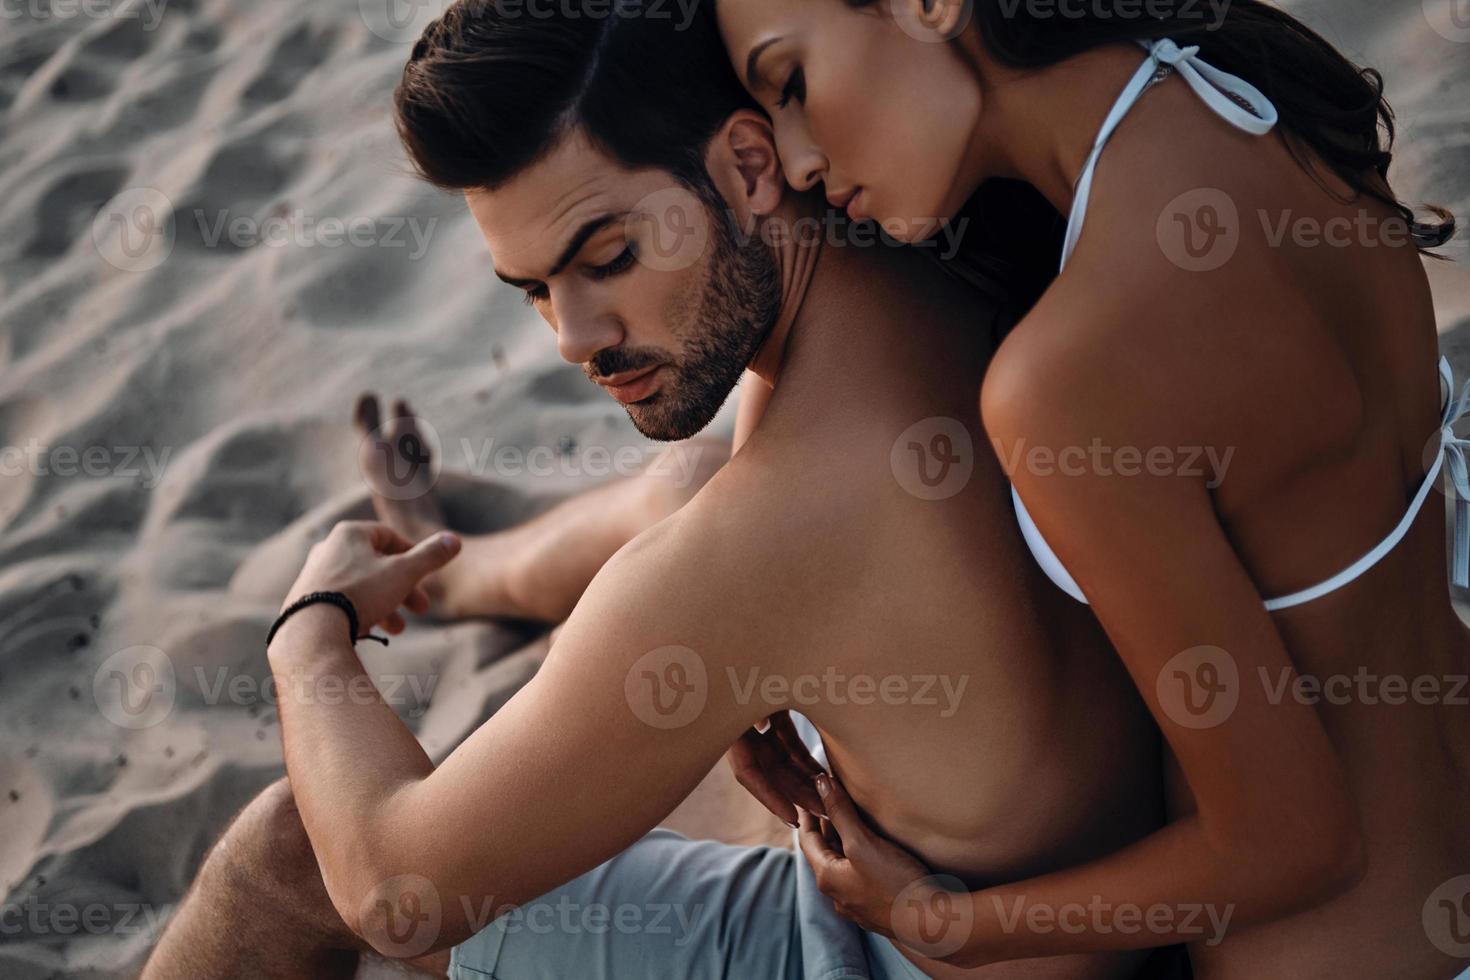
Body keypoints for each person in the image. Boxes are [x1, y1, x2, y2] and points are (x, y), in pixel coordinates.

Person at [140, 3, 1173, 979]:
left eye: (609, 257)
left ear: (746, 162)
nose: (572, 339)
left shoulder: (777, 527)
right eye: (536, 288)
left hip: (901, 949)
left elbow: (394, 883)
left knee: (285, 854)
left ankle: (434, 581)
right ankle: (461, 574)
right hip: (1032, 844)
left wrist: (308, 629)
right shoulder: (927, 235)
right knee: (687, 475)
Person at [714, 2, 1469, 976]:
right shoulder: (1244, 87)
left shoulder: (1072, 374)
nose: (801, 159)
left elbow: (1294, 841)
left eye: (793, 85)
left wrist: (948, 923)